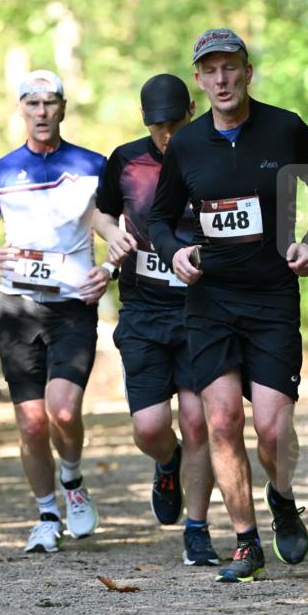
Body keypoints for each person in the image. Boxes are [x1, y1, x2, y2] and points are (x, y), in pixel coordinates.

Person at [149, 29, 308, 583]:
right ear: (199, 80)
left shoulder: (285, 128)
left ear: (247, 72)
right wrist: (174, 252)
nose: (222, 79)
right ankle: (246, 543)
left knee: (273, 428)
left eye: (230, 67)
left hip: (272, 297)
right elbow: (160, 219)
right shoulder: (186, 145)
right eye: (210, 71)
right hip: (209, 300)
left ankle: (281, 496)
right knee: (223, 421)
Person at [0, 70, 112, 554]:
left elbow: (117, 226)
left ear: (63, 108)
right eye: (32, 103)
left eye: (50, 102)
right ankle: (47, 515)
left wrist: (109, 269)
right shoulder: (0, 172)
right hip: (17, 310)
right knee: (30, 422)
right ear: (21, 109)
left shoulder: (93, 165)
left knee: (63, 409)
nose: (42, 112)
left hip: (72, 308)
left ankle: (73, 480)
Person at [94, 74, 218, 567]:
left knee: (198, 421)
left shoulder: (214, 154)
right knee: (150, 428)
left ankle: (197, 529)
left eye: (174, 123)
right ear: (145, 122)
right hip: (143, 309)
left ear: (192, 111)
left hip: (200, 307)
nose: (167, 134)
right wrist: (112, 235)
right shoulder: (126, 160)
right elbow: (101, 213)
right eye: (157, 125)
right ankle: (167, 462)